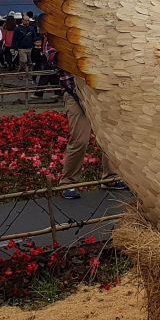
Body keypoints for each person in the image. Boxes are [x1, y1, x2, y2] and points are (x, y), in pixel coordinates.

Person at [42, 36, 128, 199]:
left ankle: (110, 177)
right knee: (79, 139)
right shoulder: (54, 35)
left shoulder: (91, 30)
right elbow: (53, 57)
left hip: (97, 94)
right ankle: (68, 182)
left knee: (109, 137)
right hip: (75, 94)